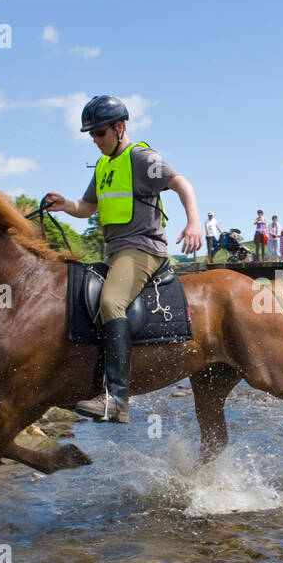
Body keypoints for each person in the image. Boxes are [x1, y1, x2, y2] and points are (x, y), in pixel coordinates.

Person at [44, 95, 202, 422]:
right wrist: (65, 204)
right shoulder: (103, 165)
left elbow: (180, 182)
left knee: (111, 303)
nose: (96, 140)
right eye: (91, 136)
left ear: (120, 127)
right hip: (116, 252)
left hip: (144, 249)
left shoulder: (141, 157)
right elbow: (88, 207)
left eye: (100, 133)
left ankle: (116, 399)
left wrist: (194, 221)